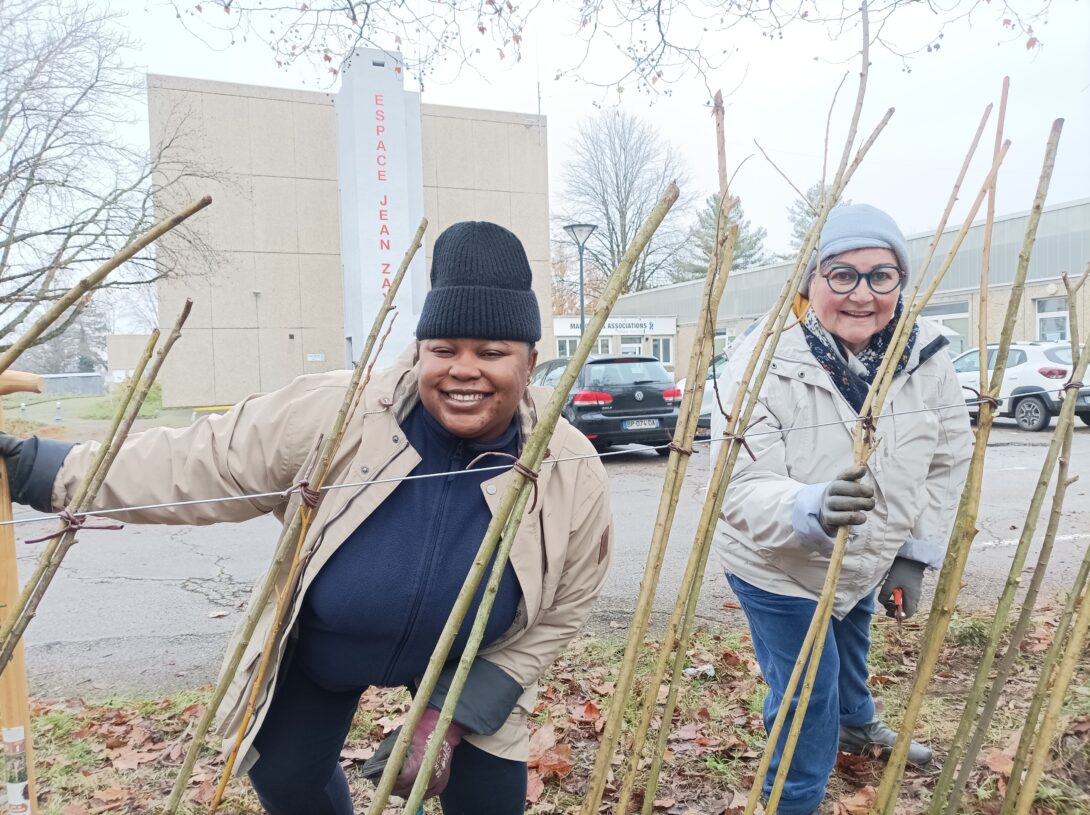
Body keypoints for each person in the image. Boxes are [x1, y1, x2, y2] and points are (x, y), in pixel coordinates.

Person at [1, 221, 614, 815]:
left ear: (530, 363)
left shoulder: (568, 468)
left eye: (491, 352)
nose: (463, 369)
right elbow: (200, 458)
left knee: (488, 805)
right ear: (420, 350)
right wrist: (39, 469)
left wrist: (450, 718)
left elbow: (563, 607)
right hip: (326, 646)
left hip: (470, 663)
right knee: (286, 778)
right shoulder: (339, 413)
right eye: (443, 349)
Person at [711, 204, 973, 815]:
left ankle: (858, 725)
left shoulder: (928, 358)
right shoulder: (757, 365)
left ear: (900, 283)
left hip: (865, 557)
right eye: (841, 275)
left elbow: (945, 461)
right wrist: (809, 505)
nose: (862, 294)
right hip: (775, 561)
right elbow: (737, 484)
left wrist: (912, 554)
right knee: (808, 690)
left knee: (851, 633)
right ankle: (790, 799)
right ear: (811, 283)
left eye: (881, 275)